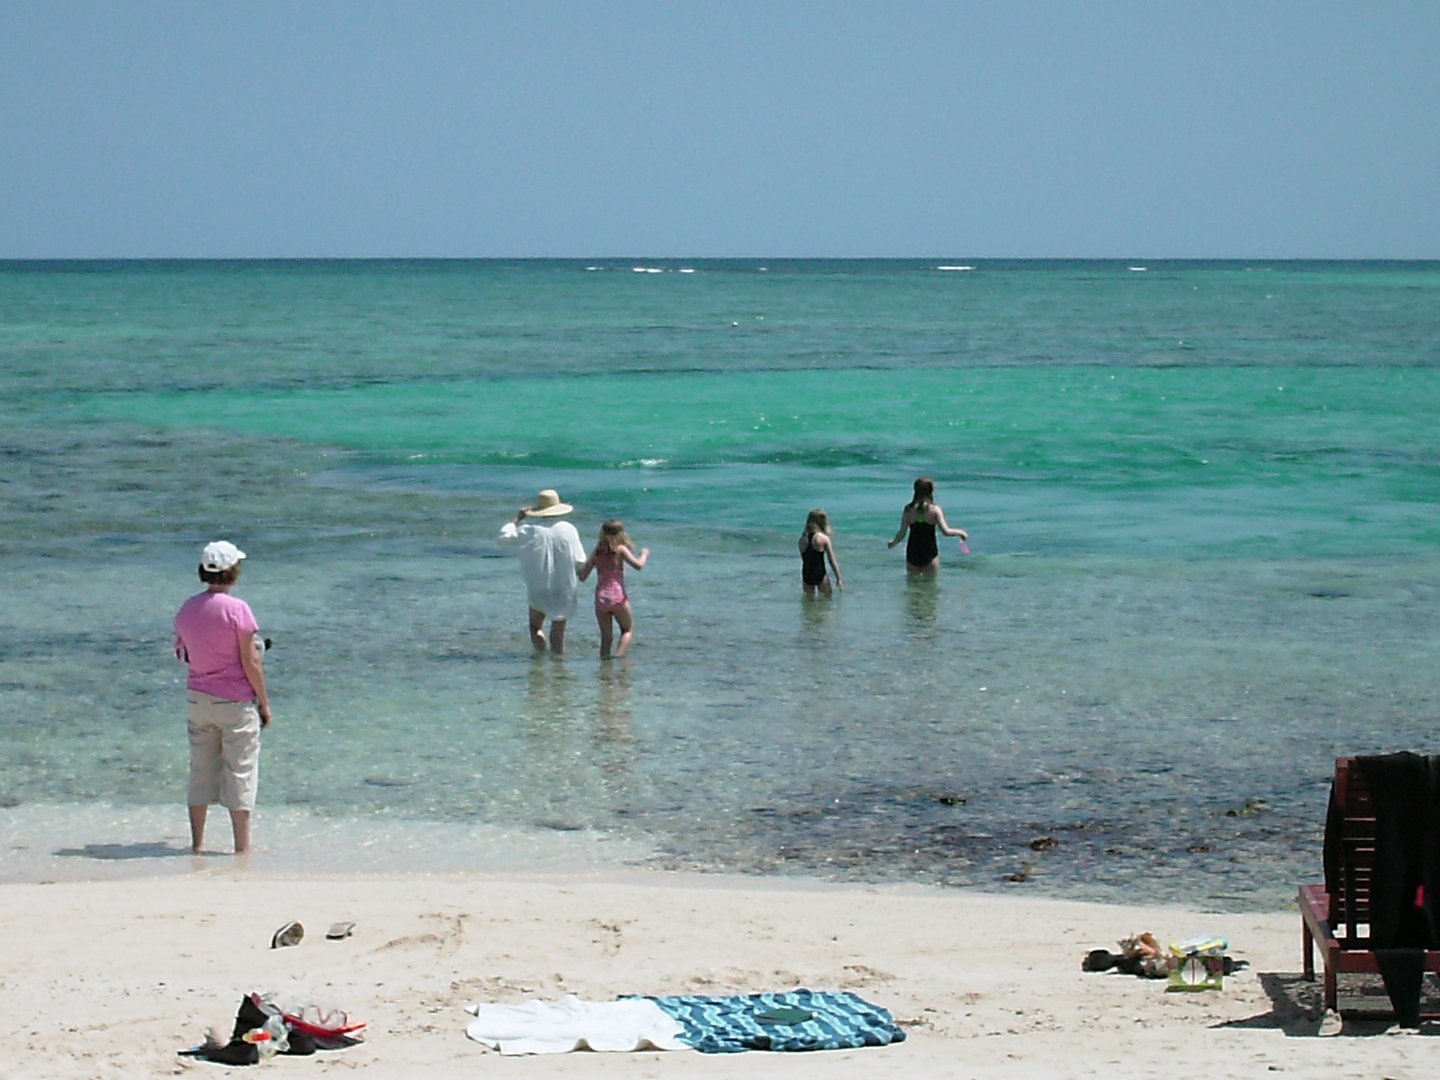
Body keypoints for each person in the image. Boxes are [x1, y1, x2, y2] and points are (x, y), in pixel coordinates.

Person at [173, 540, 271, 855]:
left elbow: (183, 653)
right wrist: (264, 704)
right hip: (235, 702)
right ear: (233, 572)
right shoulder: (238, 609)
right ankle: (242, 848)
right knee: (240, 772)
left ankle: (197, 844)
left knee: (201, 770)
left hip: (197, 698)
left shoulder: (187, 608)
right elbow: (250, 662)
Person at [498, 489, 587, 653]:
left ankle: (539, 662)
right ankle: (558, 666)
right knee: (558, 632)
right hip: (563, 586)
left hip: (539, 587)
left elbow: (504, 538)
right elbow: (580, 560)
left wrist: (517, 519)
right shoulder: (568, 529)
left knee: (535, 627)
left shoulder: (529, 530)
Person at [578, 519, 650, 659]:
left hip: (601, 598)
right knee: (627, 630)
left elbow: (582, 576)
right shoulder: (620, 550)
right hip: (618, 597)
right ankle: (618, 657)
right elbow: (638, 565)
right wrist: (644, 554)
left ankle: (604, 667)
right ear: (621, 534)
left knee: (606, 638)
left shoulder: (597, 551)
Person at [887, 477, 968, 573]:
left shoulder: (908, 509)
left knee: (912, 584)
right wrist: (961, 533)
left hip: (913, 551)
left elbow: (902, 533)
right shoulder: (935, 510)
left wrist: (893, 543)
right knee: (931, 585)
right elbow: (946, 531)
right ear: (931, 491)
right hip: (929, 551)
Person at [798, 509, 843, 596]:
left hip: (806, 574)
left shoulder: (802, 539)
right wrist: (838, 578)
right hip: (820, 573)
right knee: (827, 600)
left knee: (808, 603)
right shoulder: (823, 539)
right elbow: (832, 561)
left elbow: (804, 557)